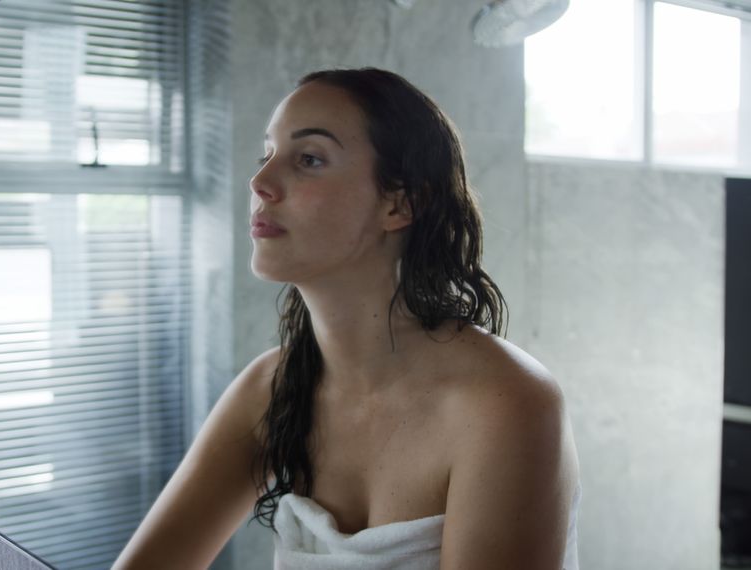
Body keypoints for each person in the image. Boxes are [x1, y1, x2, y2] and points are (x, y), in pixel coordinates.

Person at [112, 67, 581, 570]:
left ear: (400, 203)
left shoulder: (505, 406)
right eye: (266, 155)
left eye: (309, 159)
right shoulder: (272, 389)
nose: (260, 181)